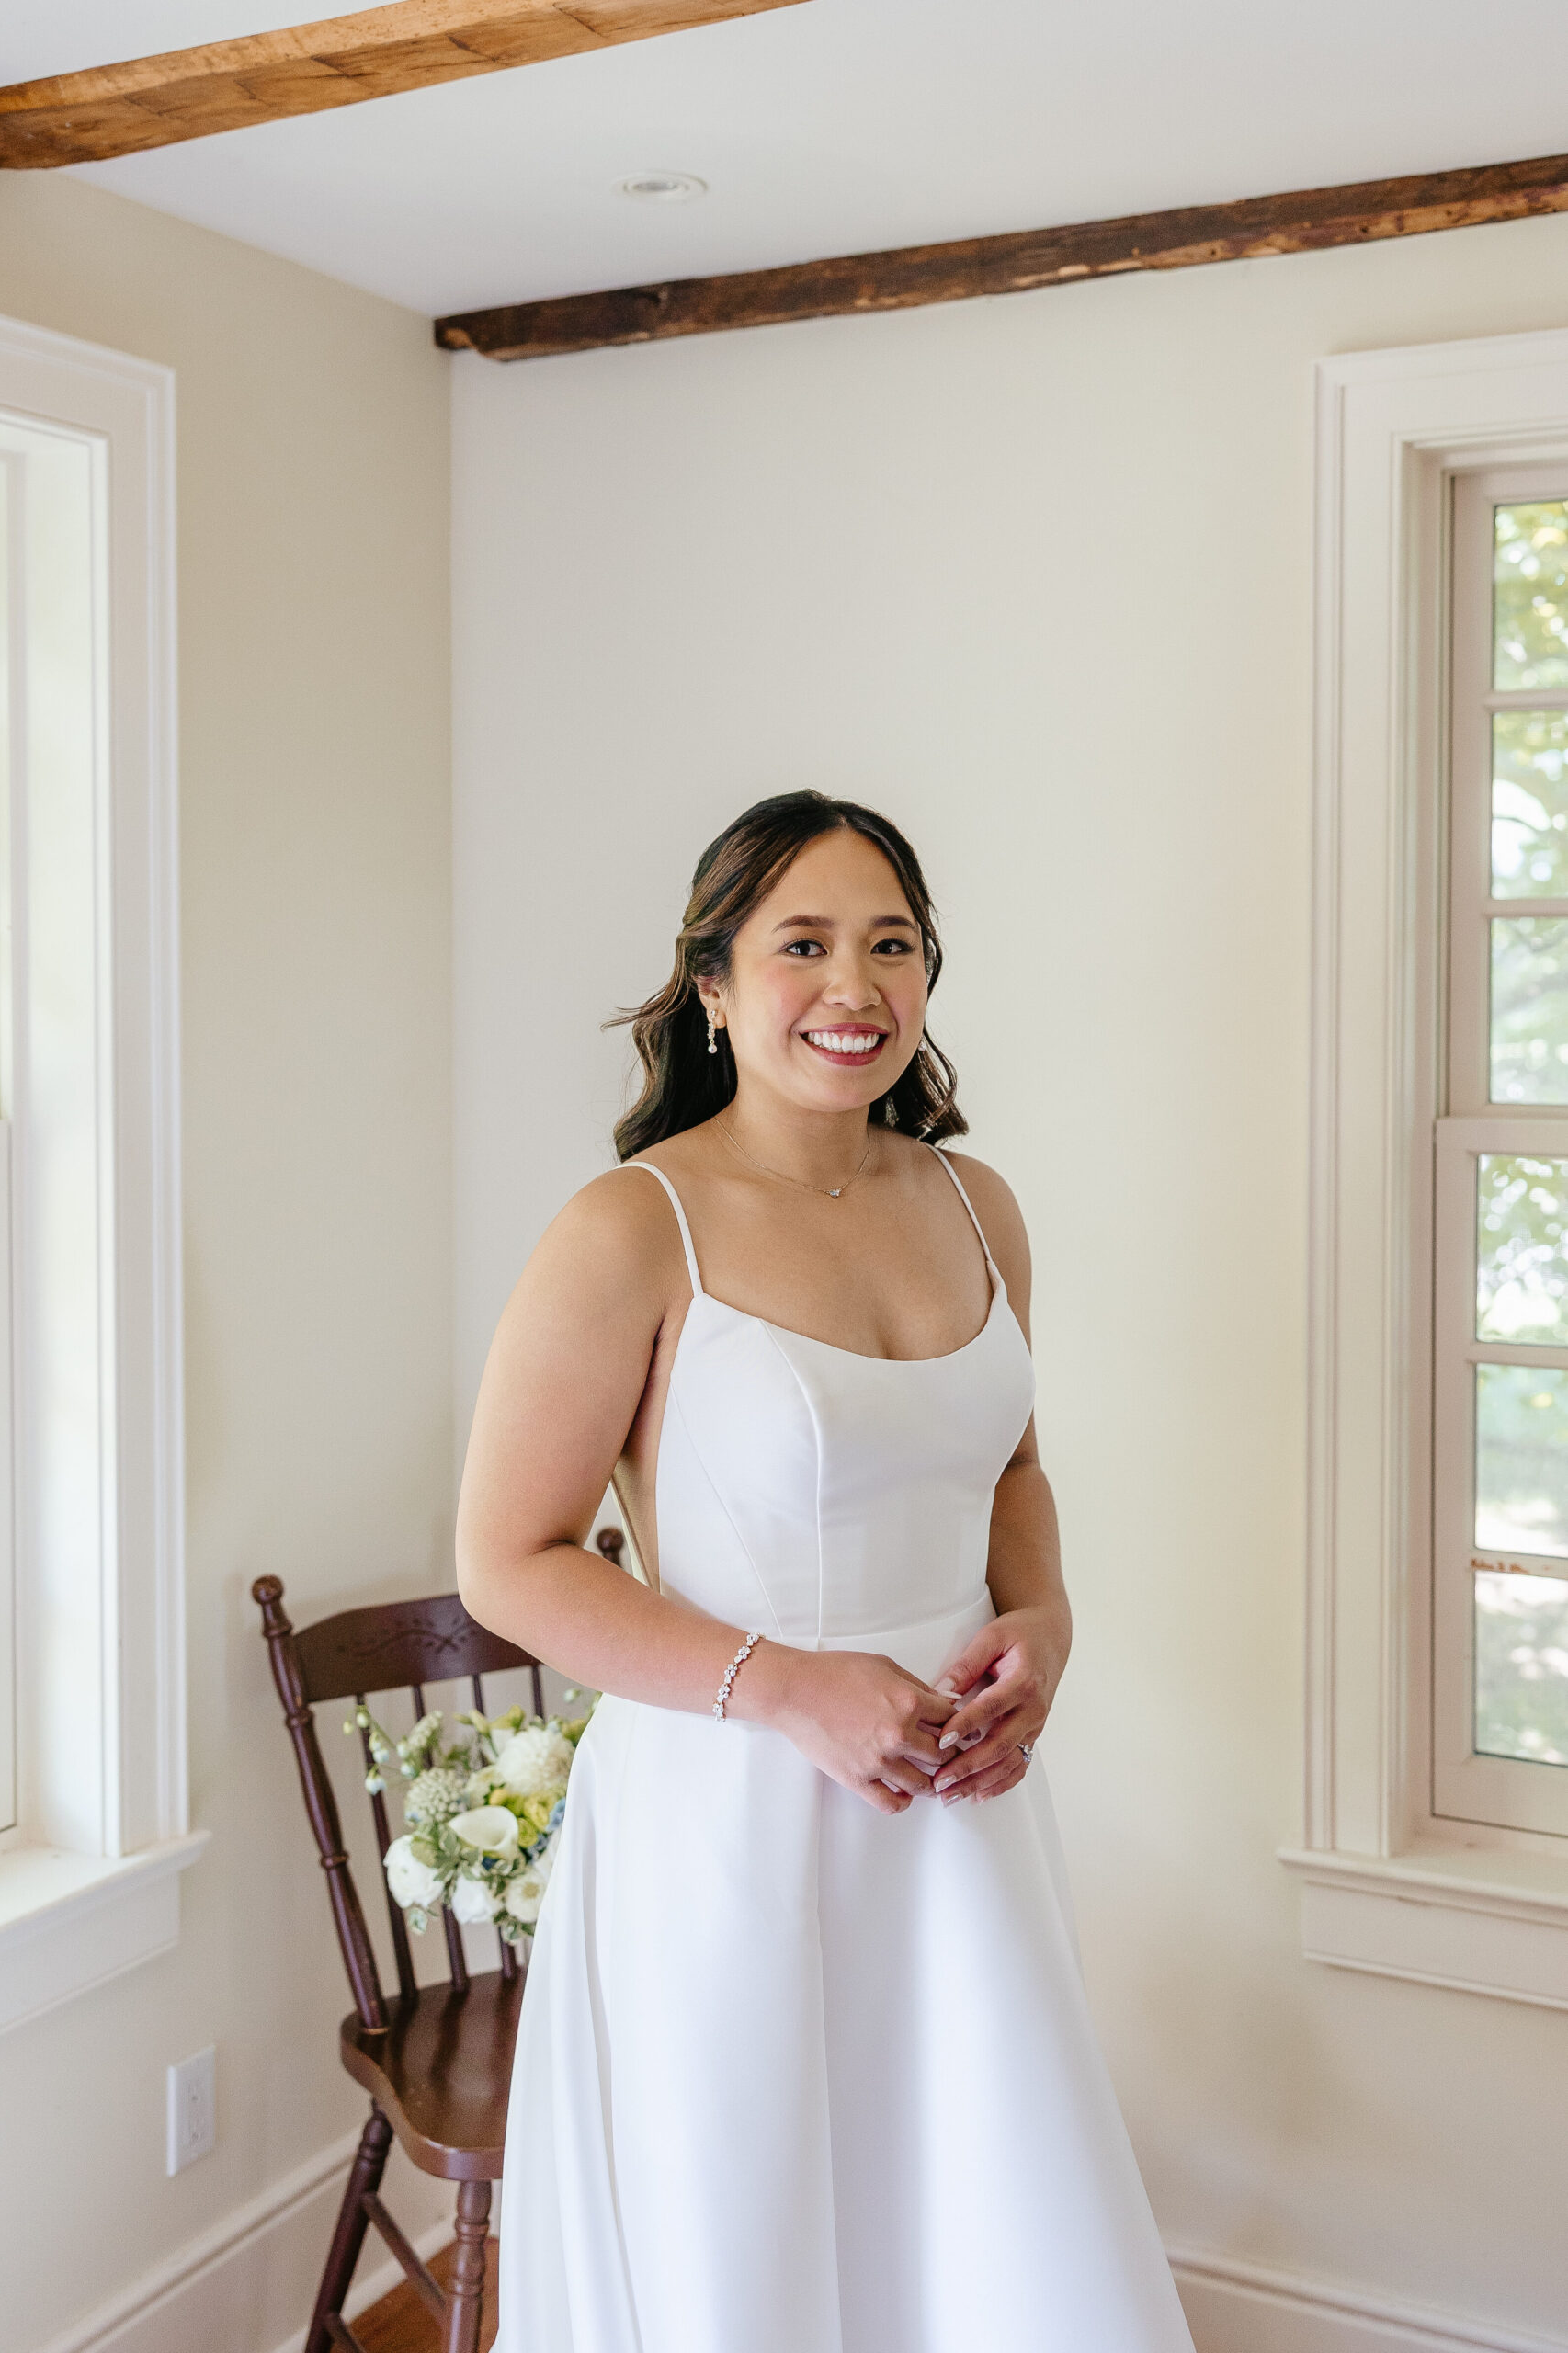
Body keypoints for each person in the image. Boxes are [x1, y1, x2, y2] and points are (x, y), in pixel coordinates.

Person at [457, 790, 1194, 2353]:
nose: (853, 988)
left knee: (981, 2222)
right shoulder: (629, 1227)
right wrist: (786, 1687)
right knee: (752, 2243)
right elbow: (506, 1562)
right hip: (730, 1822)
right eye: (803, 945)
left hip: (959, 1820)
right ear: (713, 985)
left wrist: (1046, 1627)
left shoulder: (976, 1205)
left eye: (892, 945)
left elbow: (1010, 1469)